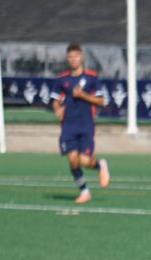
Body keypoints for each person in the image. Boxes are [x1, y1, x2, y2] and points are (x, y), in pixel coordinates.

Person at [50, 42, 110, 204]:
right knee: (73, 161)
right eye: (70, 57)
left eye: (76, 56)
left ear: (81, 56)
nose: (73, 60)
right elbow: (55, 100)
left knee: (85, 161)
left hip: (85, 125)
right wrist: (57, 109)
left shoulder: (91, 77)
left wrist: (83, 95)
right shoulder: (62, 79)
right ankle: (84, 191)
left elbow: (101, 101)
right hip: (68, 126)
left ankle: (100, 165)